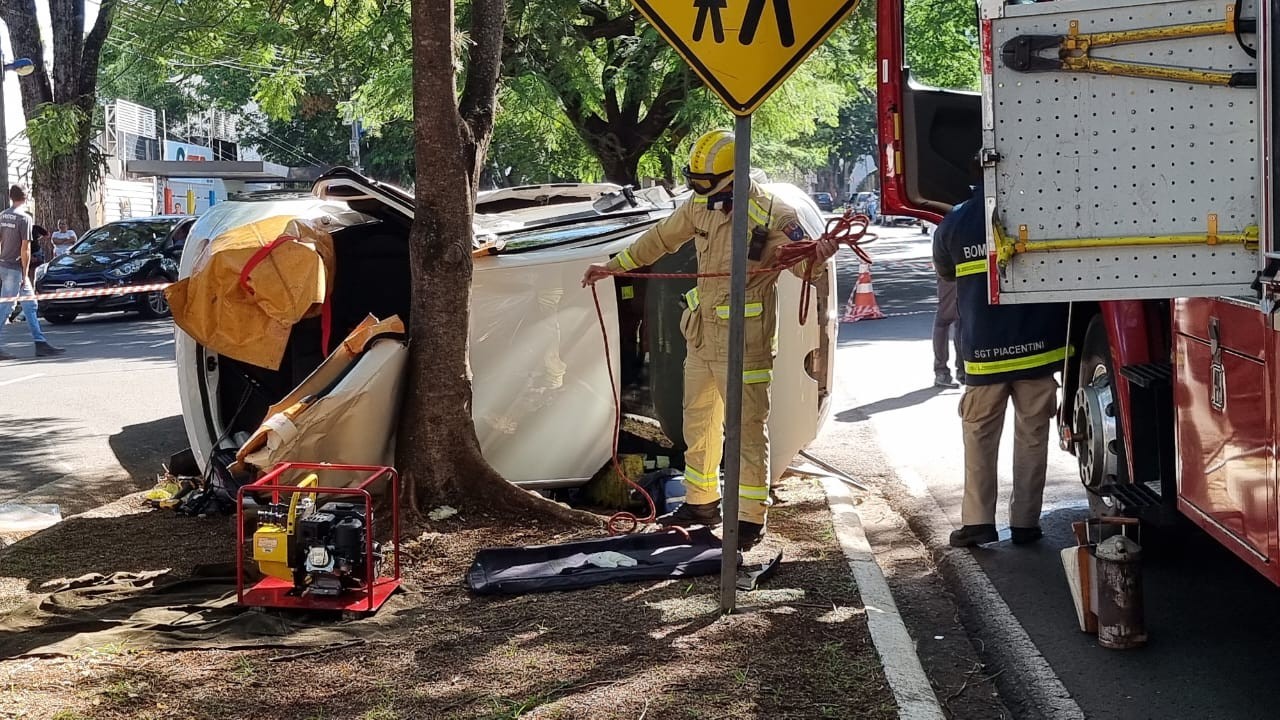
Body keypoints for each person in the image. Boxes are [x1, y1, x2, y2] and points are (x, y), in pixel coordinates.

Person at [582, 129, 838, 550]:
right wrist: (614, 266)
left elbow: (805, 270)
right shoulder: (699, 206)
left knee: (747, 431)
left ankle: (751, 518)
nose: (702, 193)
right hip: (701, 337)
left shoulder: (776, 214)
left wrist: (818, 255)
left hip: (746, 341)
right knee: (697, 421)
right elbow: (661, 238)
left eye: (709, 185)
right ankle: (702, 503)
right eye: (697, 184)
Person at [933, 164, 1067, 548]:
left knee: (979, 437)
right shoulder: (1044, 211)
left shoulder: (956, 219)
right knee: (1032, 437)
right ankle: (1026, 522)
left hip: (984, 354)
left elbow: (945, 271)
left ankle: (977, 523)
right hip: (1037, 349)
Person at [0, 185, 65, 359]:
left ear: (10, 196)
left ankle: (40, 343)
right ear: (26, 196)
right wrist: (24, 273)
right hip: (16, 269)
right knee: (7, 306)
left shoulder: (3, 215)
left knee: (30, 305)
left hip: (5, 265)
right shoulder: (24, 218)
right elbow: (25, 249)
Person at [7, 224, 48, 323]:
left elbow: (47, 235)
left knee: (35, 274)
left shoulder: (35, 228)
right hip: (25, 253)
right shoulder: (18, 228)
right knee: (24, 274)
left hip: (35, 252)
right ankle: (26, 296)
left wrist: (38, 240)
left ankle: (34, 293)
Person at [932, 274, 963, 388]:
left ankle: (962, 369)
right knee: (945, 317)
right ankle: (942, 371)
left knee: (961, 316)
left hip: (961, 265)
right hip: (951, 267)